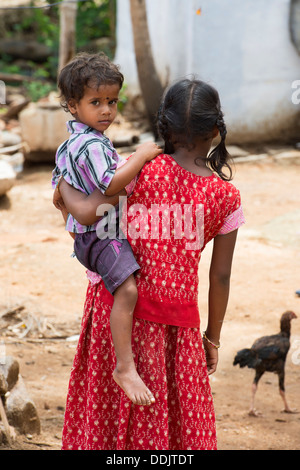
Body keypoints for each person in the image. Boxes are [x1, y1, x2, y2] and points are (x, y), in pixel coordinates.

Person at [55, 78, 245, 450]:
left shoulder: (135, 171)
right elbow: (220, 277)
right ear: (216, 130)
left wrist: (62, 187)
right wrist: (213, 339)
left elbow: (87, 218)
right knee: (176, 431)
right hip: (178, 331)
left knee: (107, 429)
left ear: (164, 125)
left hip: (115, 317)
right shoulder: (226, 197)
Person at [52, 52, 161, 407]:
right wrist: (141, 157)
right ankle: (125, 367)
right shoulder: (93, 144)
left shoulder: (70, 143)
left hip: (87, 234)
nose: (106, 111)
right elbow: (111, 185)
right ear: (73, 105)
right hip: (100, 236)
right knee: (128, 291)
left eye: (111, 102)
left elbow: (60, 194)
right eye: (95, 102)